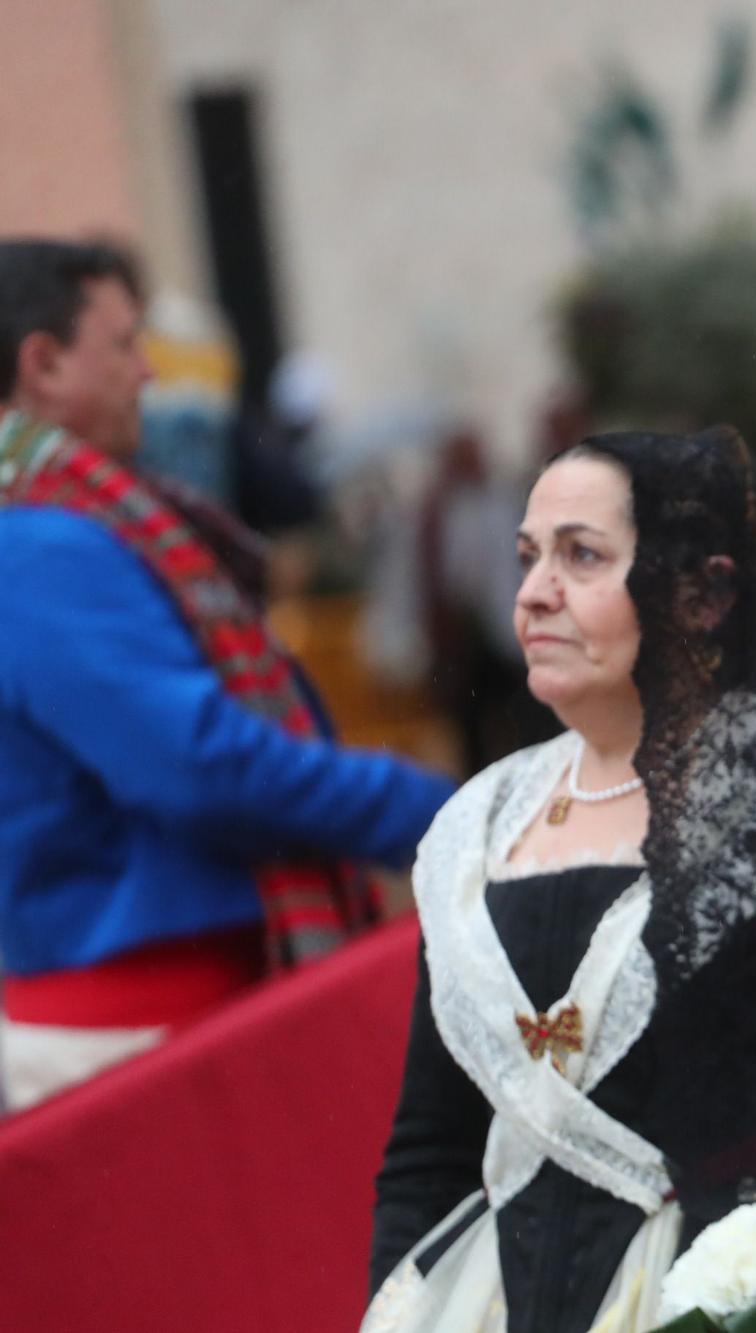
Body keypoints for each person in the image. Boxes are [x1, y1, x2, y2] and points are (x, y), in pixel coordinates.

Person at [366, 428, 756, 1332]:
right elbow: (430, 1148)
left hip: (713, 1298)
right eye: (529, 557)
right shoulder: (480, 829)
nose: (533, 593)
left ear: (706, 591)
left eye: (582, 556)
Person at [0, 238, 454, 1111]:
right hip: (144, 1037)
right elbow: (198, 766)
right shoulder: (39, 544)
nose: (147, 376)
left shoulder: (44, 528)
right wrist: (440, 812)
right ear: (44, 363)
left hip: (140, 1024)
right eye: (125, 346)